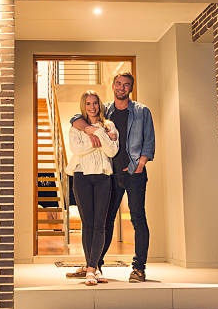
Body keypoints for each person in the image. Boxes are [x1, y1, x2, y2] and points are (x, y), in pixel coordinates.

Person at [67, 72, 155, 283]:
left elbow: (149, 140)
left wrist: (141, 164)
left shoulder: (142, 111)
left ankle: (139, 268)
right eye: (118, 84)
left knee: (138, 218)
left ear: (131, 88)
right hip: (111, 174)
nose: (121, 88)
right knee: (104, 221)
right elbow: (76, 118)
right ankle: (94, 264)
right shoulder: (106, 109)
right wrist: (89, 129)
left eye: (126, 85)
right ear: (113, 86)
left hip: (134, 173)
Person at [65, 90, 119, 286]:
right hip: (82, 176)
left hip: (103, 176)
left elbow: (112, 151)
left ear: (100, 105)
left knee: (100, 224)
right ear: (83, 106)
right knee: (87, 224)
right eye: (88, 103)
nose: (92, 107)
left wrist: (97, 132)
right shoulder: (76, 127)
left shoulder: (109, 125)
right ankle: (91, 268)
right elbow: (77, 150)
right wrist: (101, 137)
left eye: (95, 103)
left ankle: (92, 268)